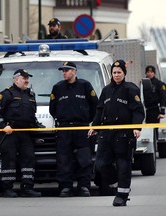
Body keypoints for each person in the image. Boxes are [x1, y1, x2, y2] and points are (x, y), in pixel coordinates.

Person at [88, 60, 145, 207]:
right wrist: (94, 126)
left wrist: (136, 127)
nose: (116, 75)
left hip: (123, 134)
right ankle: (114, 179)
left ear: (124, 73)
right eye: (114, 72)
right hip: (106, 134)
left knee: (123, 165)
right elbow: (99, 110)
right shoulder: (106, 90)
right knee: (100, 164)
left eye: (119, 72)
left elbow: (138, 111)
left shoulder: (131, 89)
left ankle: (122, 195)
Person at [49, 61, 98, 197]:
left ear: (74, 71)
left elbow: (95, 105)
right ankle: (65, 187)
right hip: (64, 129)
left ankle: (84, 186)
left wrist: (89, 121)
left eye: (67, 70)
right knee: (64, 159)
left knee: (84, 159)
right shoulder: (58, 88)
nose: (64, 73)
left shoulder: (85, 86)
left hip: (82, 128)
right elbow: (52, 109)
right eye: (63, 71)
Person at [0, 69, 42, 197]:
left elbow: (31, 114)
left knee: (29, 159)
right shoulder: (7, 93)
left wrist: (36, 125)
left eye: (27, 78)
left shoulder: (31, 95)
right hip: (10, 133)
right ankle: (8, 189)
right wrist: (3, 126)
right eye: (24, 78)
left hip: (26, 133)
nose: (27, 80)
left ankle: (27, 188)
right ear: (16, 79)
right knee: (9, 159)